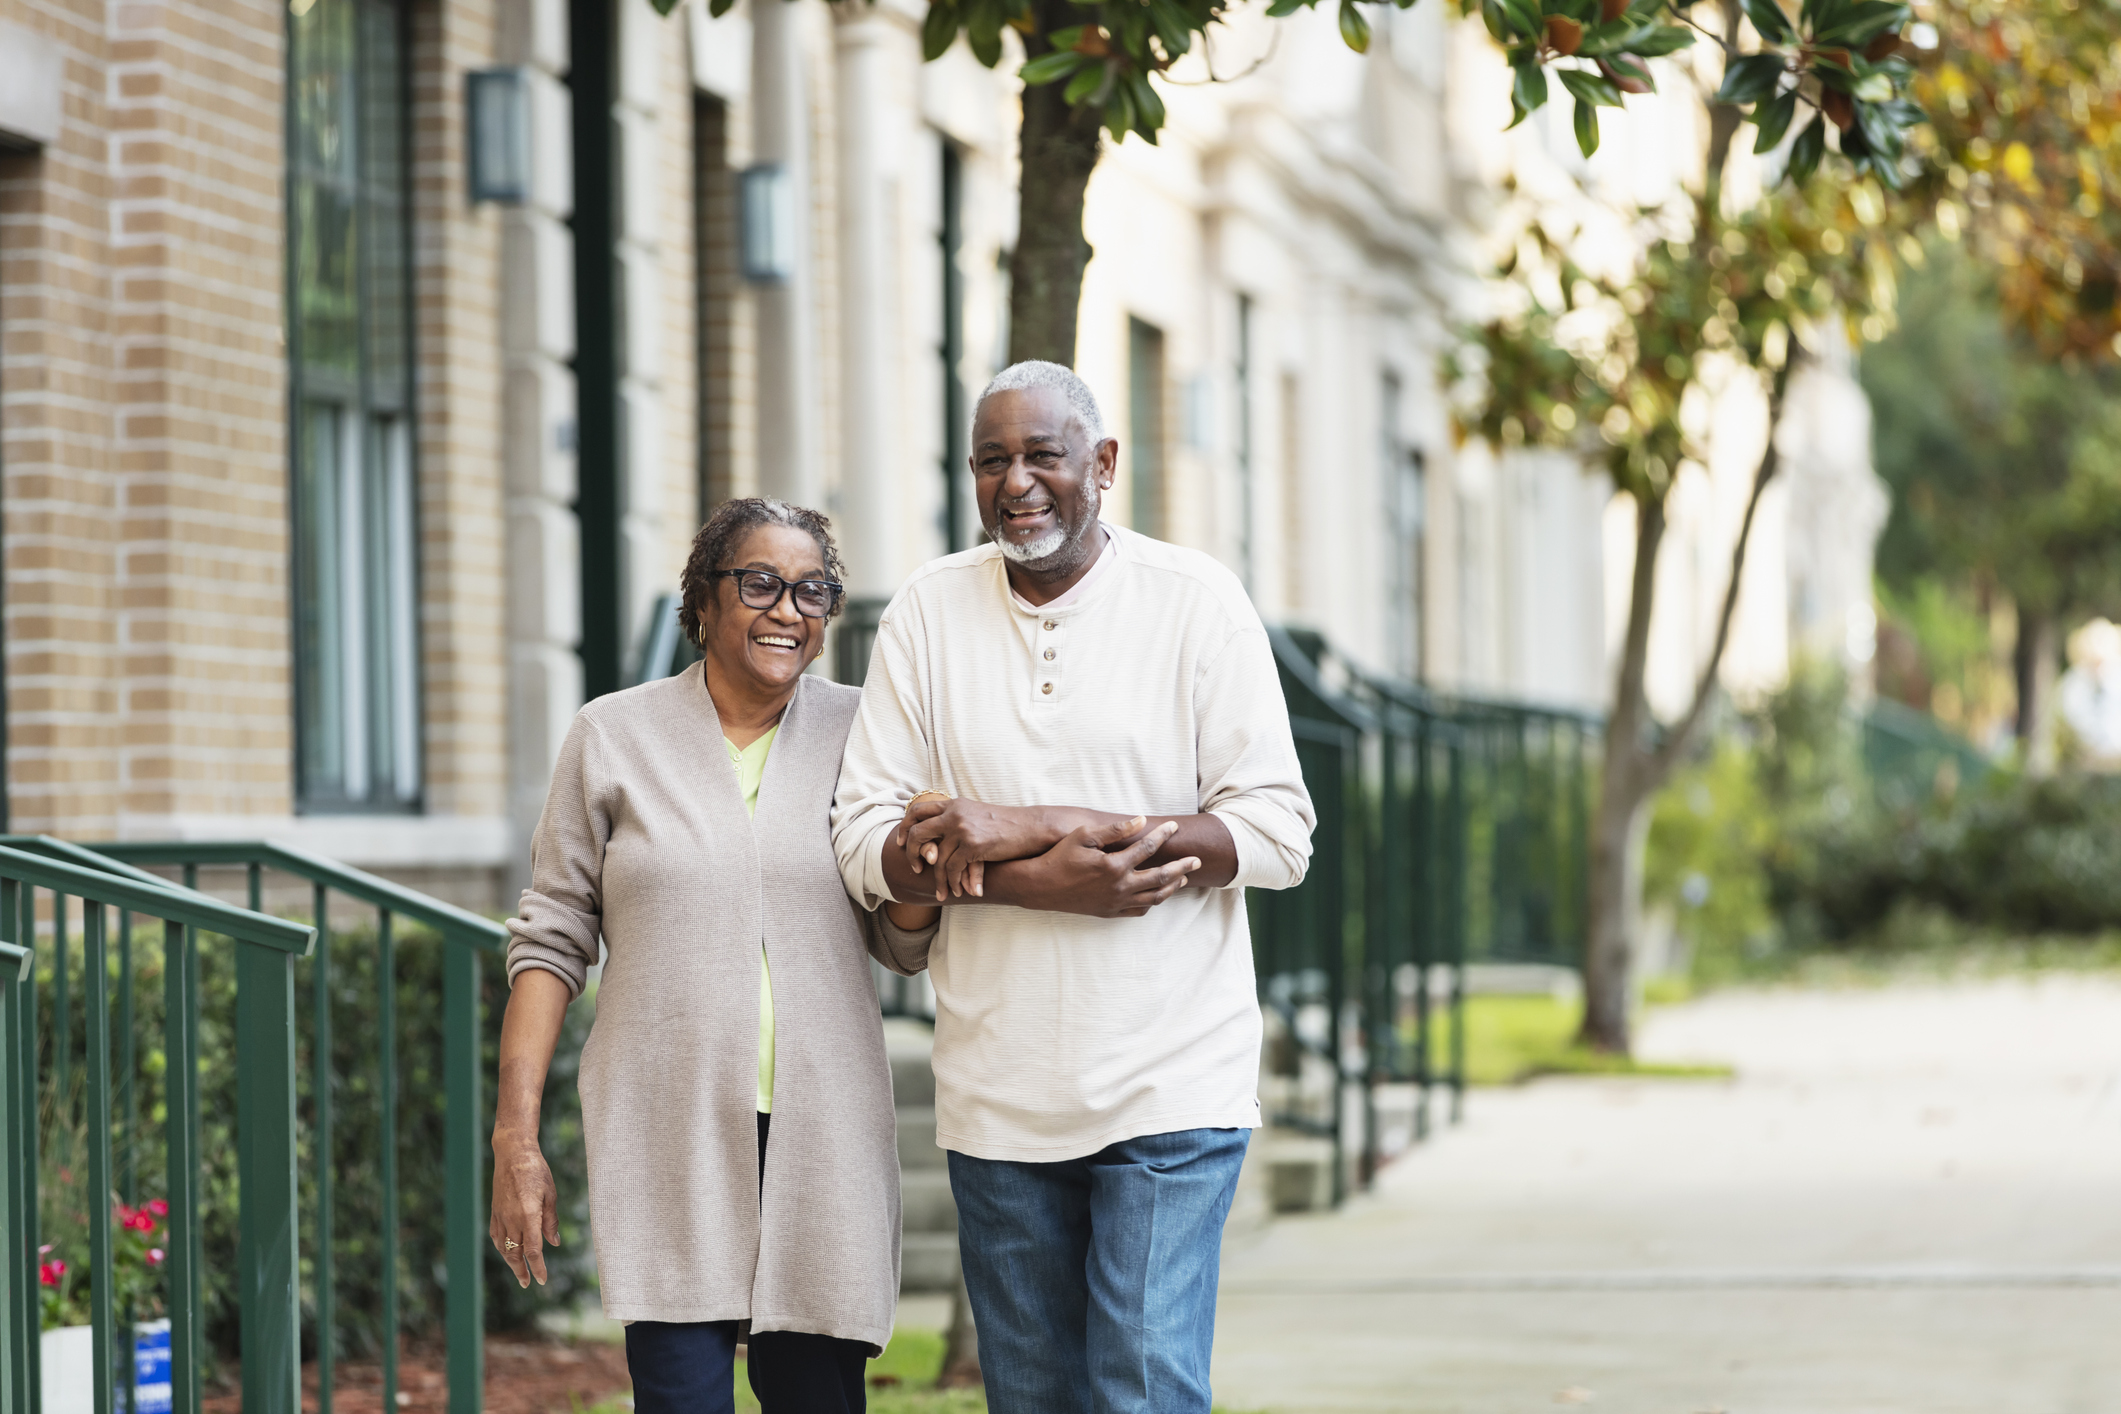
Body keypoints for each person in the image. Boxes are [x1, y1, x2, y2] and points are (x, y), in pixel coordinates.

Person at [831, 361, 1317, 1413]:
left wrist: (1013, 826)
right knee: (1035, 1398)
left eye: (1042, 454)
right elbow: (867, 837)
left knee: (1137, 1390)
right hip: (997, 1093)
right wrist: (1036, 880)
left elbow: (1278, 830)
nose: (1017, 482)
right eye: (992, 460)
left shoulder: (1195, 603)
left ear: (1101, 463)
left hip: (1170, 1081)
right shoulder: (926, 610)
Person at [493, 498, 940, 1414]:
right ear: (702, 602)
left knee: (817, 1398)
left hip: (825, 1132)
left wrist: (922, 869)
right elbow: (550, 938)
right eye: (760, 584)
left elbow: (900, 943)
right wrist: (516, 1136)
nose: (788, 610)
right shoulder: (611, 735)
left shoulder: (867, 737)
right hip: (668, 1128)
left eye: (812, 591)